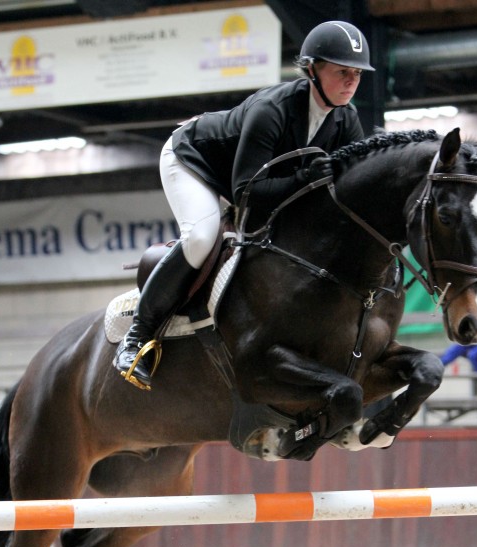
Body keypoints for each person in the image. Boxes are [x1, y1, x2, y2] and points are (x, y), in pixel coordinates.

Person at [114, 21, 375, 389]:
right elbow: (247, 194)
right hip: (193, 159)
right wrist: (304, 179)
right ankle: (136, 338)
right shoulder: (273, 109)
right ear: (313, 69)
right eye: (342, 72)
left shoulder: (346, 120)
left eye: (357, 74)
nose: (351, 81)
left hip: (249, 179)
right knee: (202, 237)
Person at [439, 278, 477, 396]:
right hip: (476, 340)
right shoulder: (476, 304)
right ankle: (434, 369)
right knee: (456, 348)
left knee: (474, 355)